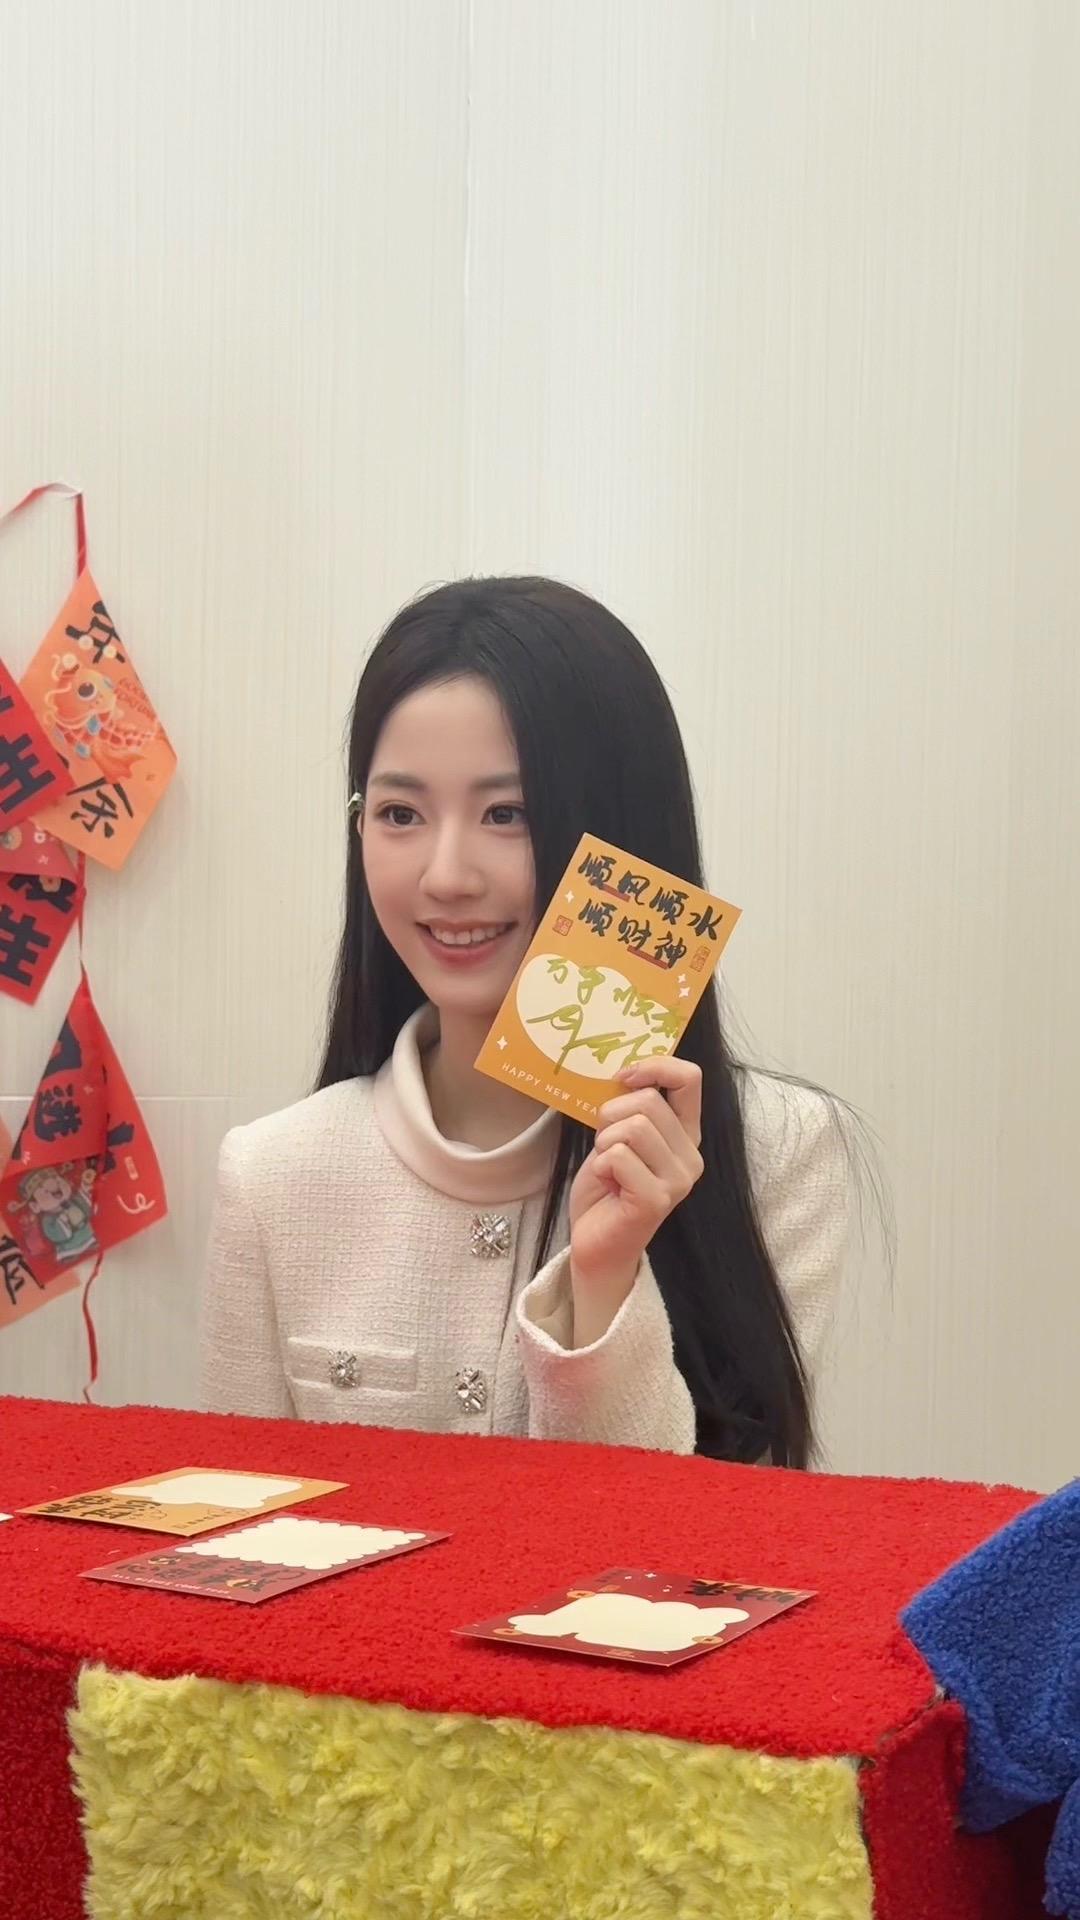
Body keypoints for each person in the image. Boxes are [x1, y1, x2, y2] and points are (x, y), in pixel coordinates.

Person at [201, 577, 853, 1466]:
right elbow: (241, 1529)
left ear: (622, 838)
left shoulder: (777, 1151)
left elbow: (718, 1536)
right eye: (399, 813)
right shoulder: (273, 1175)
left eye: (508, 814)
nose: (447, 876)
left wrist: (603, 1281)